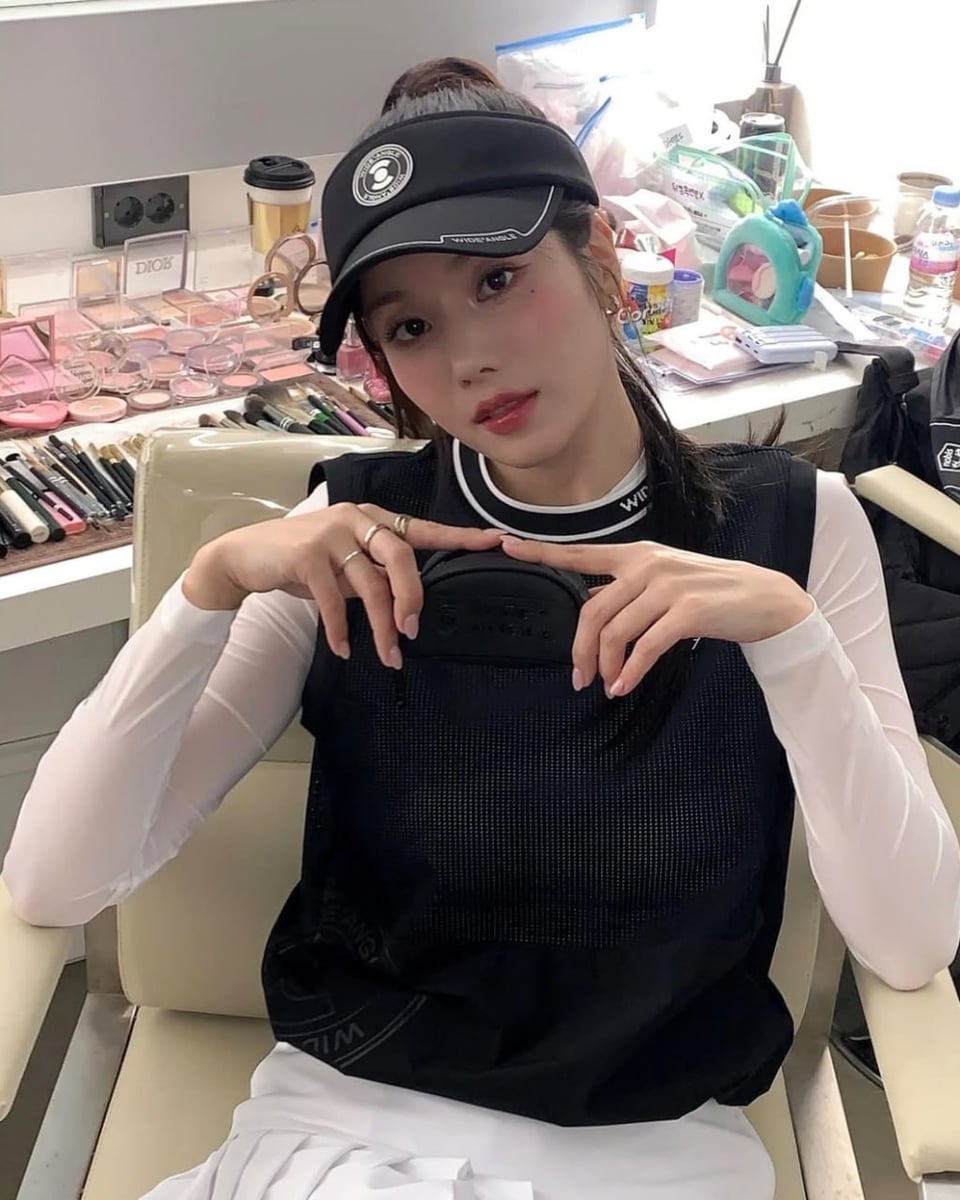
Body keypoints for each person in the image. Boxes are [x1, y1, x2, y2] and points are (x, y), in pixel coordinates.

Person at [6, 68, 960, 1200]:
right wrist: (205, 591)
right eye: (411, 325)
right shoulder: (350, 542)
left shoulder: (792, 531)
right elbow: (53, 884)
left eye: (498, 279)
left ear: (600, 260)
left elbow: (911, 944)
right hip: (341, 1138)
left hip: (649, 1158)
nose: (468, 359)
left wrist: (791, 642)